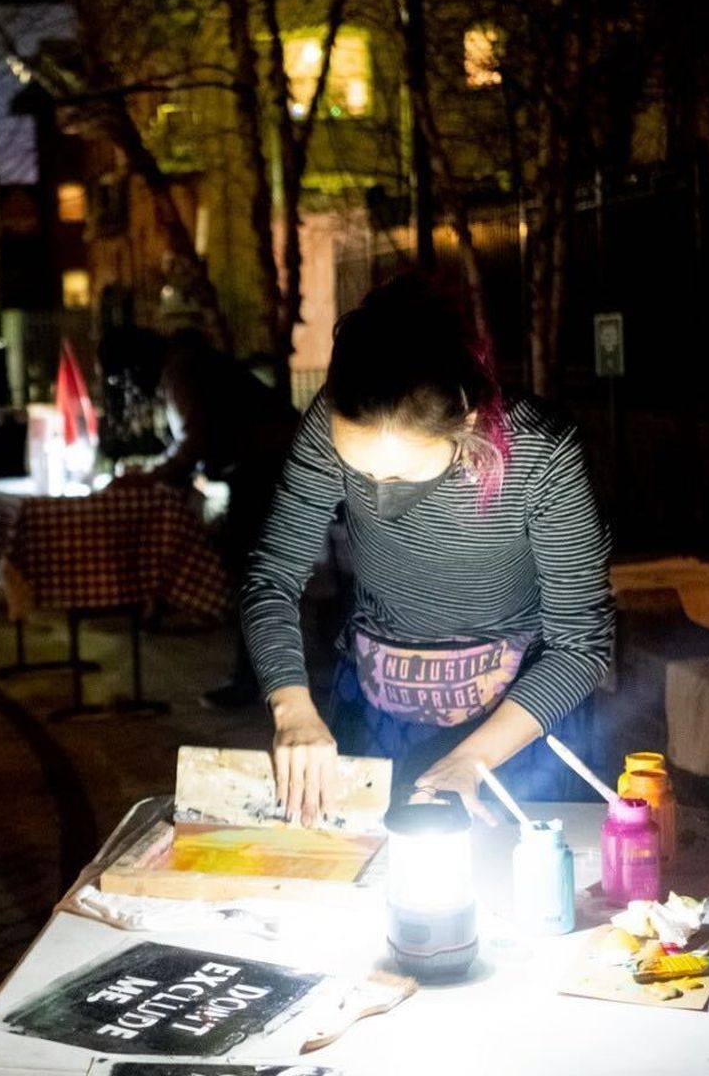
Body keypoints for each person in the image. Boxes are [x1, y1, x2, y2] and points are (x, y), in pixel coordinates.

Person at [242, 275, 614, 824]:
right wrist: (293, 708)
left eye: (399, 474)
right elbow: (271, 579)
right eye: (358, 472)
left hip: (520, 728)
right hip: (376, 712)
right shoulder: (331, 420)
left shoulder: (541, 456)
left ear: (465, 422)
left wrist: (470, 761)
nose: (376, 495)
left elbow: (580, 645)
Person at [123, 329, 300, 708]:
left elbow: (192, 439)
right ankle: (256, 679)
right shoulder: (193, 360)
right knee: (258, 576)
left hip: (263, 469)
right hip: (274, 464)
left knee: (253, 577)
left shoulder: (179, 371)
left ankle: (253, 683)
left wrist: (149, 476)